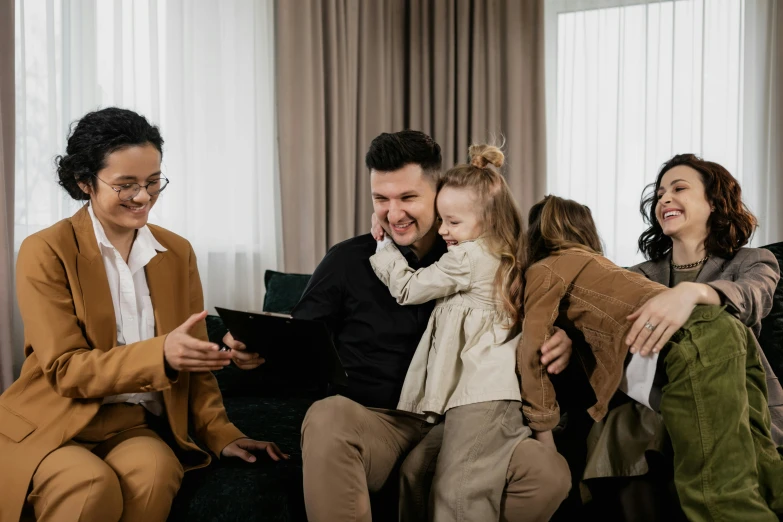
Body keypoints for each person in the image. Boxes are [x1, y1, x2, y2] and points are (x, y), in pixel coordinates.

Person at [225, 130, 572, 522]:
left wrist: (558, 337)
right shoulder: (348, 260)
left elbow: (525, 309)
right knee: (328, 415)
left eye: (408, 198)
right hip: (382, 423)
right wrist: (251, 346)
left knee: (548, 473)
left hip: (461, 419)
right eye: (380, 199)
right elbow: (299, 337)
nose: (393, 213)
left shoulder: (475, 250)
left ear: (439, 193)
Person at [0, 108, 287, 522]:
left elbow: (195, 364)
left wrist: (223, 433)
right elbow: (66, 369)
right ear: (85, 182)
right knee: (88, 485)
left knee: (154, 472)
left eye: (154, 182)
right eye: (126, 185)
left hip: (134, 425)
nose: (144, 197)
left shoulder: (177, 252)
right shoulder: (44, 250)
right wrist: (162, 354)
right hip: (52, 421)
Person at [518, 194, 783, 521]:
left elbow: (532, 343)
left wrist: (543, 431)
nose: (667, 198)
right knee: (764, 468)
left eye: (680, 188)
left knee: (716, 488)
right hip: (717, 337)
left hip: (700, 340)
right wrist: (569, 338)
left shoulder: (545, 269)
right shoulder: (617, 270)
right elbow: (601, 319)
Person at [368, 144, 529, 521]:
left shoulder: (469, 257)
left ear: (488, 219)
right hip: (467, 396)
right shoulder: (503, 251)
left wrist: (383, 247)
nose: (442, 231)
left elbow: (408, 289)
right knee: (414, 473)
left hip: (482, 394)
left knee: (456, 496)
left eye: (452, 222)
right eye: (441, 219)